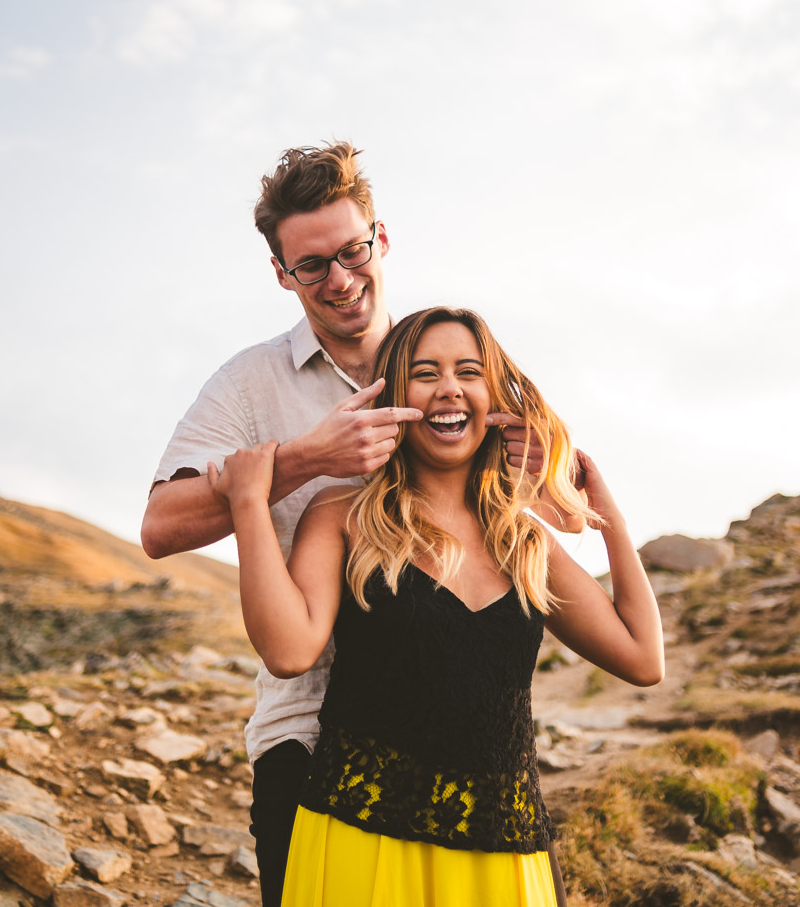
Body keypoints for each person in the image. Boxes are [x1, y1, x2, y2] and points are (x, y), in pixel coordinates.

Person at [143, 145, 567, 906]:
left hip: (459, 733)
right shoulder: (248, 383)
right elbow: (159, 527)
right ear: (282, 274)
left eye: (352, 251)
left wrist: (542, 478)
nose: (340, 280)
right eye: (312, 266)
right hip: (307, 725)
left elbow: (552, 501)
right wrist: (303, 460)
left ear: (381, 239)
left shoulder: (458, 362)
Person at [208, 306, 665, 906]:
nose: (449, 386)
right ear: (396, 399)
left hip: (503, 853)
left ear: (493, 396)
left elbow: (642, 658)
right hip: (362, 841)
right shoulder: (345, 514)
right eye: (426, 373)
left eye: (468, 371)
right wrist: (248, 503)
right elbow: (289, 650)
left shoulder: (523, 540)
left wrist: (609, 518)